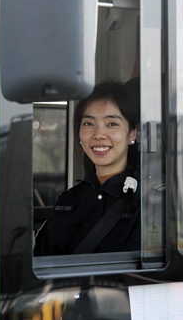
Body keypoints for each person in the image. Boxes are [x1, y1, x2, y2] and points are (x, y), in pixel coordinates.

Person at [34, 80, 140, 256]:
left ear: (132, 133)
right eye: (89, 124)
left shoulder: (149, 202)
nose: (98, 134)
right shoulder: (67, 201)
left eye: (112, 124)